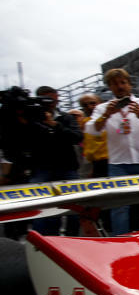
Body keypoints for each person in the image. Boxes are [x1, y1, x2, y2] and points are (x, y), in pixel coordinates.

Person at [88, 68, 139, 234]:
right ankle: (121, 241)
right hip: (119, 164)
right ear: (110, 87)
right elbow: (92, 130)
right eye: (115, 84)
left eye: (123, 82)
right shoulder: (103, 108)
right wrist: (107, 115)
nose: (120, 86)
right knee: (119, 206)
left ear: (129, 85)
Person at [26, 86, 83, 235]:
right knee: (44, 210)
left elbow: (77, 137)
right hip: (42, 169)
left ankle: (73, 240)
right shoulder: (31, 120)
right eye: (44, 99)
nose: (49, 102)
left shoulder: (67, 118)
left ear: (57, 97)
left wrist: (55, 125)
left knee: (73, 208)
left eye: (51, 98)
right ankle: (46, 242)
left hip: (67, 169)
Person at [78, 93, 107, 178]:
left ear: (100, 103)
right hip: (96, 165)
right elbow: (87, 146)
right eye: (85, 105)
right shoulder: (84, 123)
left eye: (93, 103)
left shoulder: (111, 118)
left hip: (114, 162)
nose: (89, 107)